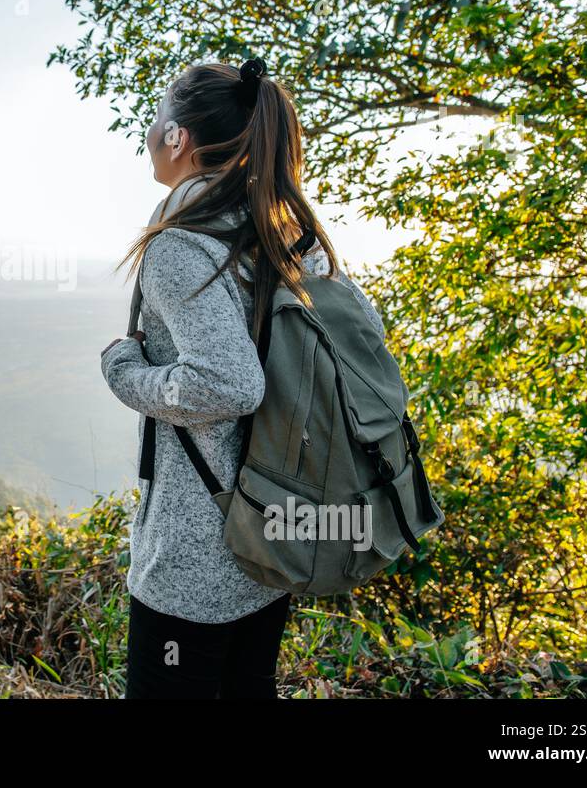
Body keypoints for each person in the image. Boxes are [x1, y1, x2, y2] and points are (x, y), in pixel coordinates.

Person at [99, 59, 387, 699]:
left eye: (155, 120)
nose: (148, 134)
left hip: (194, 556)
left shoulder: (181, 245)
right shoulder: (287, 234)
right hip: (270, 535)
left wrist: (124, 371)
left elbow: (229, 386)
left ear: (177, 139)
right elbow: (365, 337)